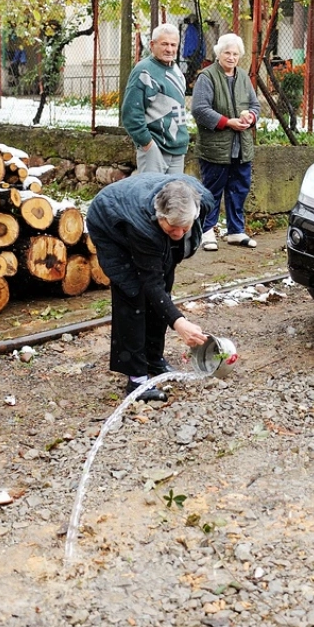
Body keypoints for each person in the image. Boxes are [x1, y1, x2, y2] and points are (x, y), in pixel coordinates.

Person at [85, 174, 214, 402]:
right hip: (110, 226)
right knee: (132, 292)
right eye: (172, 227)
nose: (178, 234)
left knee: (164, 286)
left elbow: (160, 285)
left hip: (147, 225)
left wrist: (179, 231)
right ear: (159, 216)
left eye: (185, 228)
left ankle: (154, 358)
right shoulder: (142, 226)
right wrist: (179, 322)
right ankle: (136, 379)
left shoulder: (202, 201)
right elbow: (150, 283)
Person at [191, 32, 262, 250]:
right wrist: (226, 122)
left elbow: (255, 105)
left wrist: (250, 117)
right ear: (219, 54)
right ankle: (206, 230)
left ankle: (236, 231)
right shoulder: (207, 77)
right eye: (227, 53)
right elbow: (200, 110)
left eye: (235, 54)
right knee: (212, 190)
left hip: (241, 146)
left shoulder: (242, 77)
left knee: (239, 188)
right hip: (216, 147)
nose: (231, 57)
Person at [121, 23, 190, 174]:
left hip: (177, 149)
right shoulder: (143, 70)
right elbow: (130, 113)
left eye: (173, 44)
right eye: (164, 44)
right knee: (152, 195)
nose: (169, 49)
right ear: (152, 45)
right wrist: (147, 144)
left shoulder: (176, 70)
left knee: (173, 196)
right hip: (155, 148)